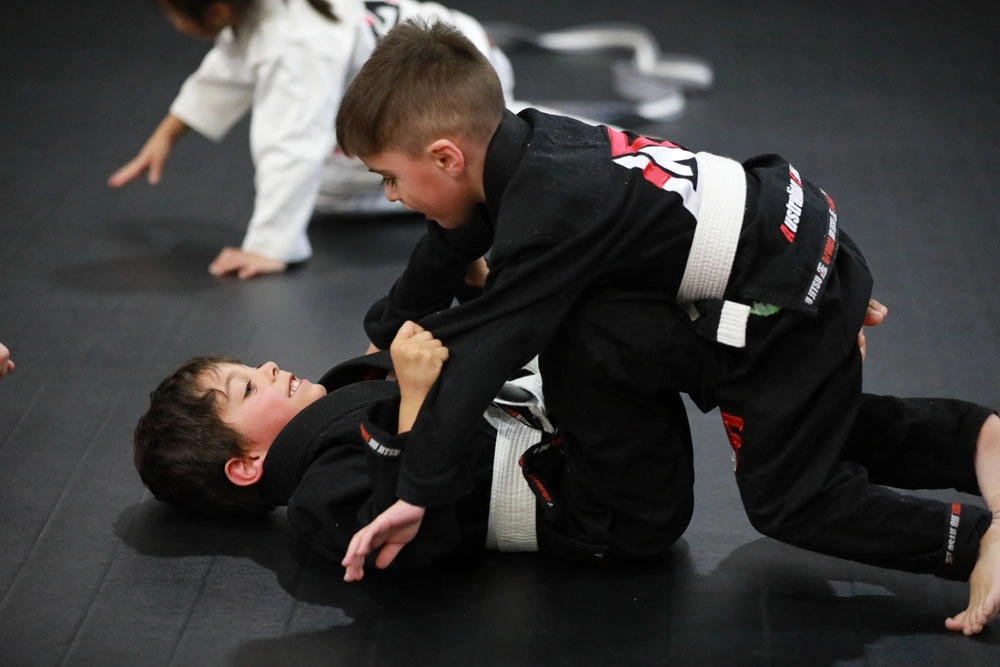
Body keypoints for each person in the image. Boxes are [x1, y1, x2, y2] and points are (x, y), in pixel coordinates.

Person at [331, 19, 999, 634]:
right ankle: (972, 439)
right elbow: (451, 243)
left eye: (390, 178)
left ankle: (972, 542)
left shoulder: (543, 214)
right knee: (792, 419)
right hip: (789, 231)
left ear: (447, 158)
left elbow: (485, 350)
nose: (392, 195)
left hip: (780, 295)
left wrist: (416, 490)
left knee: (788, 498)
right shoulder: (533, 142)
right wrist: (388, 328)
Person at [133, 318, 695, 568]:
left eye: (252, 366)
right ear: (247, 465)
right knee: (598, 326)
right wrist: (417, 394)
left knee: (581, 286)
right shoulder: (316, 502)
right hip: (609, 509)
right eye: (249, 387)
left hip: (591, 449)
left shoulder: (342, 401)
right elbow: (405, 528)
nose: (270, 366)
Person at [108, 0, 515, 279]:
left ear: (216, 10)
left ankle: (512, 128)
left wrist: (270, 246)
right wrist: (167, 134)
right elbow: (227, 68)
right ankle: (502, 124)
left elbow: (293, 147)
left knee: (326, 183)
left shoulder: (294, 46)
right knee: (323, 177)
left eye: (171, 12)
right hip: (455, 53)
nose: (172, 22)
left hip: (453, 78)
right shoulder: (269, 12)